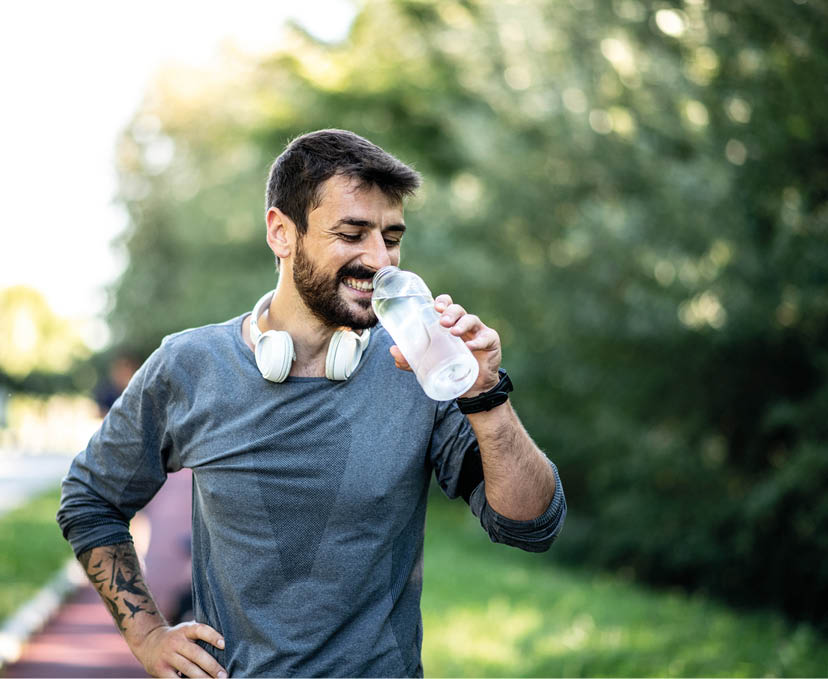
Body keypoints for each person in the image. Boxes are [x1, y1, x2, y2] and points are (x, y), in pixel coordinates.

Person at [57, 129, 566, 678]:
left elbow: (530, 525)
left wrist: (486, 397)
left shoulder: (422, 366)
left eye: (392, 238)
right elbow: (90, 498)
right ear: (281, 232)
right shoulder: (190, 365)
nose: (380, 259)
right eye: (352, 234)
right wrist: (149, 635)